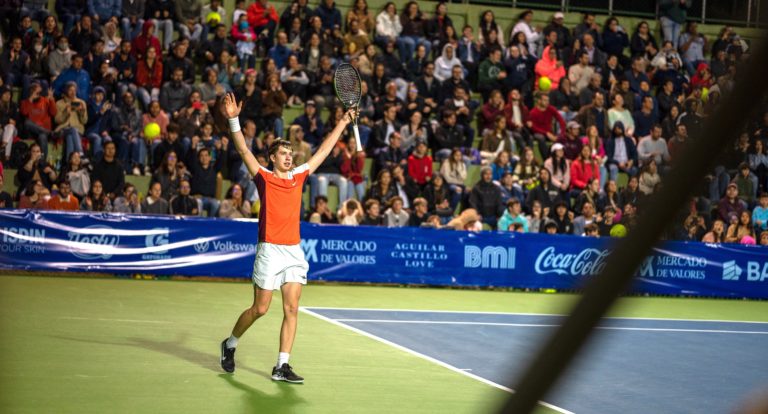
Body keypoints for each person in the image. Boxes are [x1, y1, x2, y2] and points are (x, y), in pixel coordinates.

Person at [220, 92, 356, 383]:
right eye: (283, 153)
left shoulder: (299, 176)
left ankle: (282, 365)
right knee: (261, 308)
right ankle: (230, 343)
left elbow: (322, 151)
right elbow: (244, 150)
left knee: (292, 308)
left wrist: (343, 122)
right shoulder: (264, 177)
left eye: (290, 153)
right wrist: (233, 119)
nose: (289, 156)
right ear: (272, 158)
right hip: (269, 250)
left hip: (293, 250)